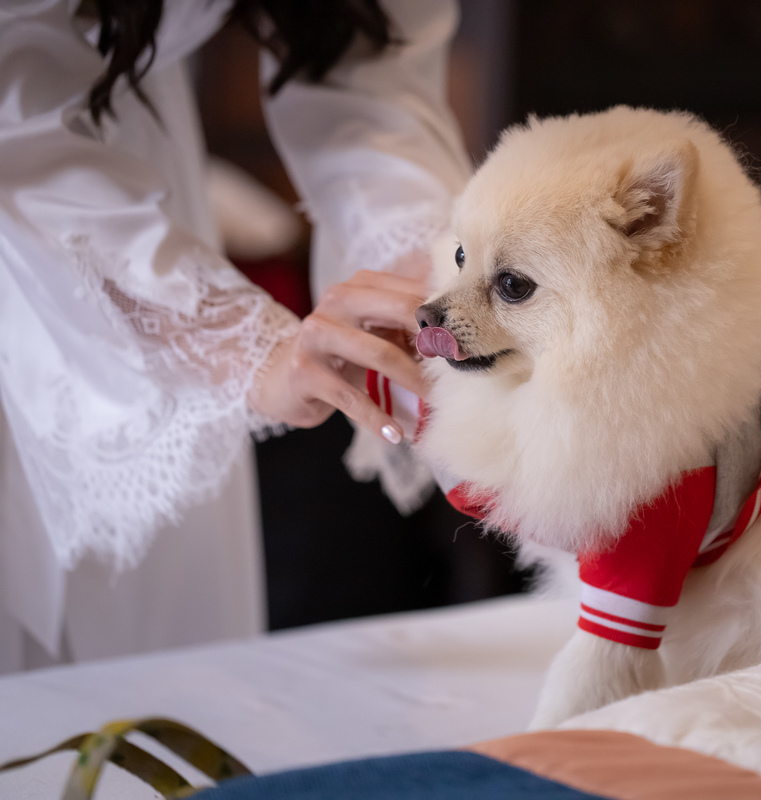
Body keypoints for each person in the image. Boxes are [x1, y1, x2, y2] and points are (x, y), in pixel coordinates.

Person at [0, 0, 471, 671]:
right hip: (43, 211)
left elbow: (365, 66)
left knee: (153, 685)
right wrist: (246, 348)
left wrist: (420, 264)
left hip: (135, 155)